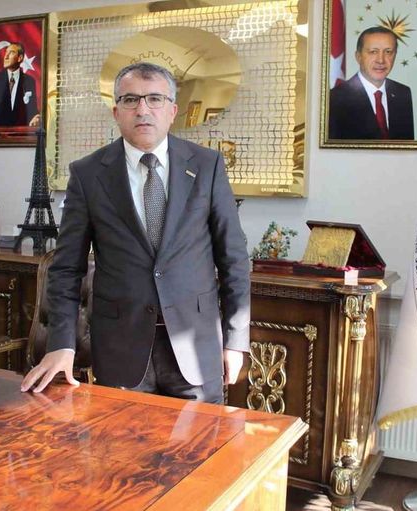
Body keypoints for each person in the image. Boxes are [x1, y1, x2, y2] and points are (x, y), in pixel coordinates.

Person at [20, 62, 250, 404]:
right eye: (130, 100)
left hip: (195, 348)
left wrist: (235, 340)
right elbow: (66, 268)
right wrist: (61, 345)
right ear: (116, 112)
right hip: (120, 349)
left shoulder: (207, 166)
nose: (143, 109)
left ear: (172, 111)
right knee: (121, 439)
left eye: (154, 99)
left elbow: (233, 260)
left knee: (201, 439)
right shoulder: (87, 174)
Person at [328, 27, 414, 140]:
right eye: (373, 52)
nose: (381, 60)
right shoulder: (335, 98)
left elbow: (406, 147)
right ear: (358, 57)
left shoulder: (402, 93)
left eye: (388, 52)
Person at [0, 42, 41, 136]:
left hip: (21, 137)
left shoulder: (29, 81)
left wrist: (36, 117)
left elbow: (32, 109)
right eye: (6, 52)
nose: (6, 56)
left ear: (20, 58)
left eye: (11, 52)